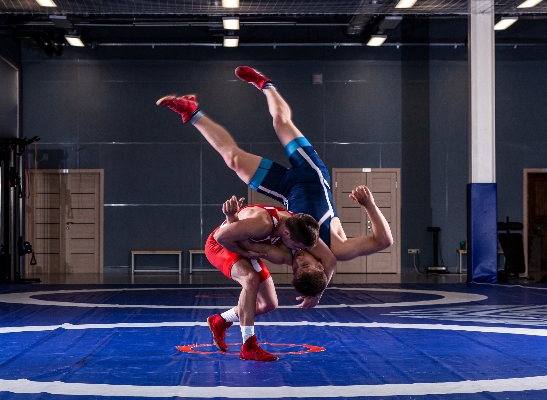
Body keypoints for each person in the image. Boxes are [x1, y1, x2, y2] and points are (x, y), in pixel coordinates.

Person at [156, 66, 393, 306]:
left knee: (233, 160)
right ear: (320, 266)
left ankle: (192, 112)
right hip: (311, 176)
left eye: (297, 268)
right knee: (281, 122)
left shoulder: (288, 254)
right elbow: (383, 242)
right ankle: (265, 84)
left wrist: (235, 225)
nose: (299, 260)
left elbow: (250, 244)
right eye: (307, 264)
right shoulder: (335, 250)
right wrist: (369, 205)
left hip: (286, 190)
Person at [200, 194, 329, 361]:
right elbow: (221, 237)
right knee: (250, 278)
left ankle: (221, 320)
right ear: (287, 234)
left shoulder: (299, 233)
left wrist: (316, 292)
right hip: (222, 244)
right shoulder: (263, 224)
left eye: (296, 268)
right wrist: (231, 218)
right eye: (298, 247)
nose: (299, 255)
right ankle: (248, 345)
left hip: (241, 242)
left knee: (269, 303)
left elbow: (330, 261)